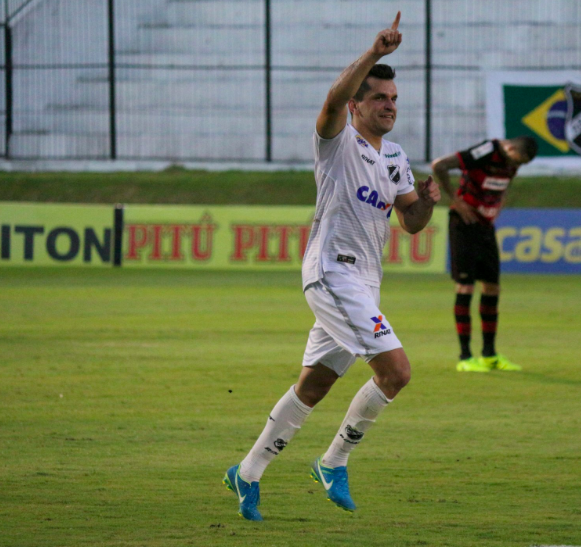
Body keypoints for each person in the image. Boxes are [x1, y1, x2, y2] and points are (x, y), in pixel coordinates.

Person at [222, 12, 441, 521]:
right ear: (358, 105)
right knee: (397, 371)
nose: (389, 106)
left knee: (313, 384)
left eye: (393, 100)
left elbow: (411, 222)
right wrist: (374, 54)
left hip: (364, 281)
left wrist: (427, 200)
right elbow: (330, 103)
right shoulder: (337, 140)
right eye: (379, 98)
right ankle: (333, 461)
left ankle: (247, 471)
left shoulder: (395, 157)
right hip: (331, 273)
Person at [431, 136, 537, 372]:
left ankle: (489, 355)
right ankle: (466, 357)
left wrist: (498, 204)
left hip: (486, 227)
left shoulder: (513, 163)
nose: (516, 166)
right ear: (509, 148)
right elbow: (439, 165)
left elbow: (504, 184)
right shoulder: (486, 151)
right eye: (517, 160)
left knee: (492, 287)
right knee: (465, 287)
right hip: (464, 223)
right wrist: (456, 200)